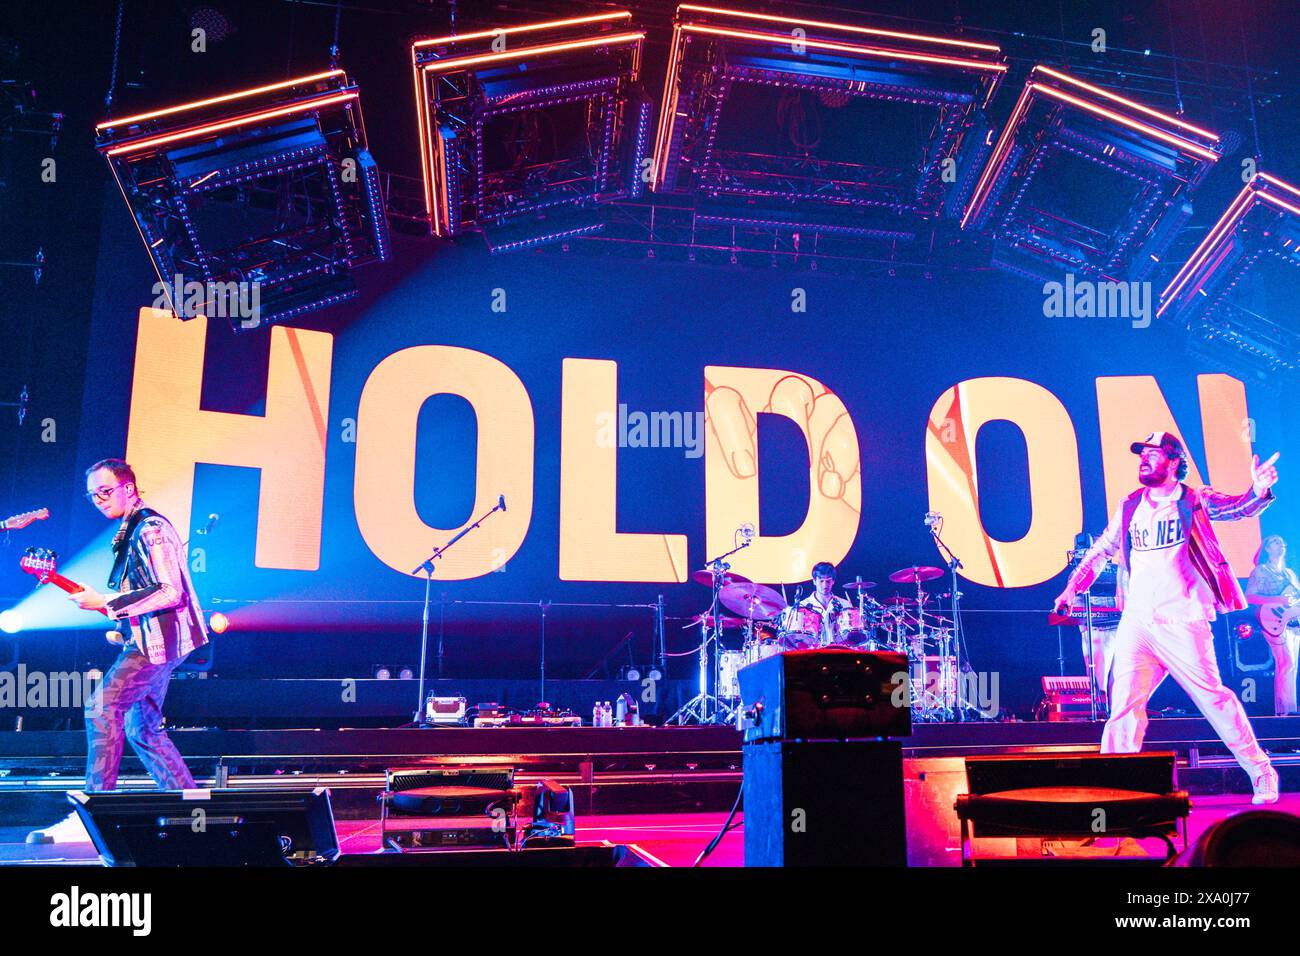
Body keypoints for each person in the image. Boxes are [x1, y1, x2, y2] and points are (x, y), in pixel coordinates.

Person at [1054, 432, 1280, 805]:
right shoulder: (1130, 506)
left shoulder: (1195, 499)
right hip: (1138, 623)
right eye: (1142, 453)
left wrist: (1256, 491)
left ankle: (1262, 771)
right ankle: (1114, 791)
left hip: (1184, 620)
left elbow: (1236, 508)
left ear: (1173, 462)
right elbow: (1100, 551)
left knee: (1215, 701)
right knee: (1123, 708)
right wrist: (1071, 590)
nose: (1144, 459)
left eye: (1153, 454)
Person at [26, 459, 209, 844]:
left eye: (105, 491)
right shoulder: (128, 531)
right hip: (152, 639)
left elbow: (169, 590)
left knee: (101, 707)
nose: (98, 500)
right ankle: (193, 808)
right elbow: (140, 593)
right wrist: (107, 608)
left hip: (159, 643)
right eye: (92, 495)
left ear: (129, 487)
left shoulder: (151, 529)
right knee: (142, 728)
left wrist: (108, 603)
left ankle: (95, 813)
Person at [1245, 534, 1300, 716]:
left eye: (1282, 542)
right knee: (1286, 664)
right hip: (1273, 622)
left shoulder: (1290, 574)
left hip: (1293, 623)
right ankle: (1283, 716)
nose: (1281, 544)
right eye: (1275, 542)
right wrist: (1278, 599)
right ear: (1267, 548)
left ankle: (1290, 712)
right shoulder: (1261, 571)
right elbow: (1250, 597)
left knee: (1292, 667)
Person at [787, 561, 850, 647]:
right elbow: (796, 639)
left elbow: (851, 637)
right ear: (814, 581)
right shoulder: (803, 607)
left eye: (828, 581)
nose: (825, 585)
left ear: (833, 581)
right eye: (821, 581)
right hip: (813, 654)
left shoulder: (845, 605)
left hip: (839, 653)